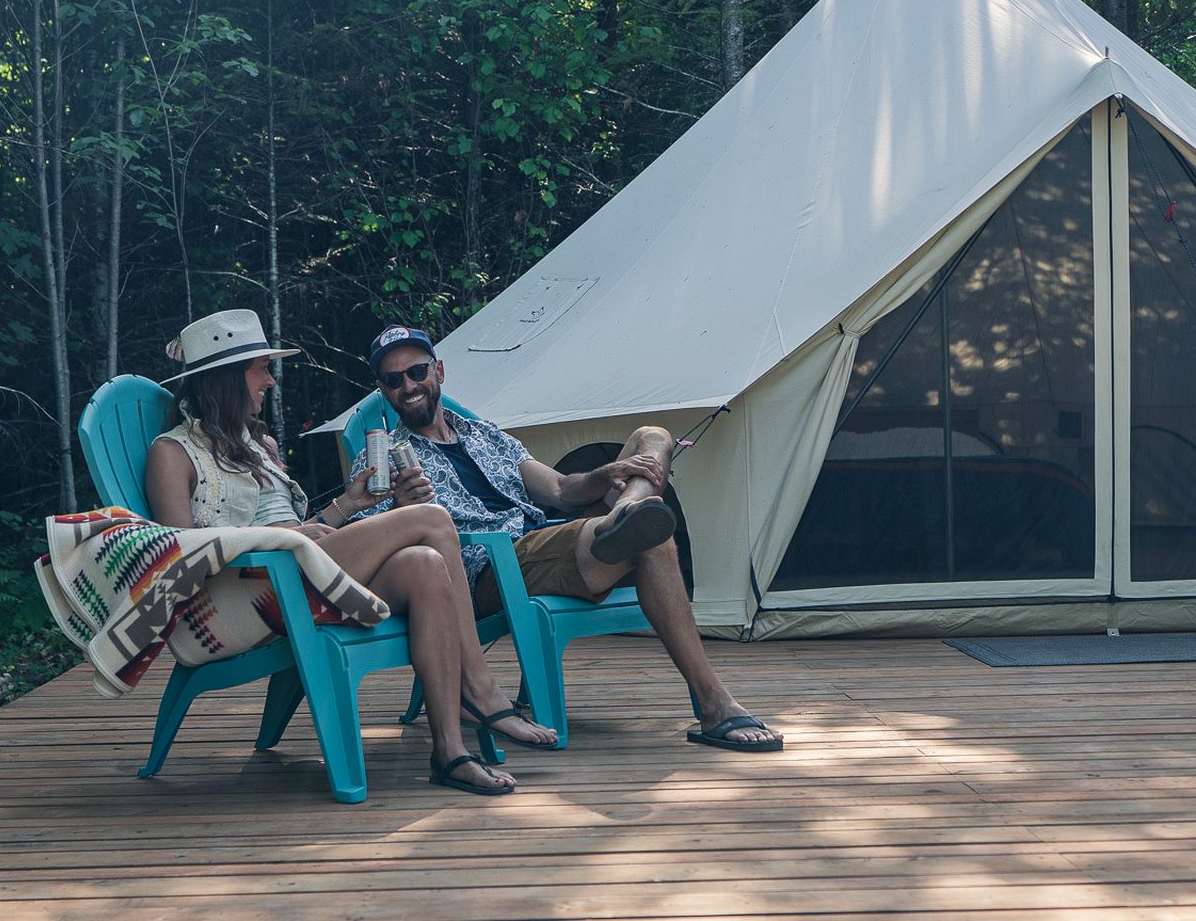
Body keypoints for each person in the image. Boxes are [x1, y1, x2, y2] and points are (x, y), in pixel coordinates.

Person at [143, 309, 556, 796]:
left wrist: (348, 505)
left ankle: (450, 751)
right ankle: (481, 691)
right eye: (260, 369)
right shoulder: (172, 453)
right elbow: (181, 556)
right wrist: (284, 541)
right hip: (246, 596)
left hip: (297, 574)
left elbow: (295, 531)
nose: (270, 381)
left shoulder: (260, 447)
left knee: (426, 564)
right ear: (228, 378)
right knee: (433, 519)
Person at [351, 325, 783, 751]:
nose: (408, 386)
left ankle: (628, 511)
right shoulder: (381, 461)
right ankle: (715, 704)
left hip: (543, 541)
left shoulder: (485, 435)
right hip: (490, 571)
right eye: (394, 379)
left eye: (417, 372)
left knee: (653, 437)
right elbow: (372, 549)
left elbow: (559, 490)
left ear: (439, 371)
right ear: (383, 390)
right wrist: (398, 508)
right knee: (651, 541)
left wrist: (604, 475)